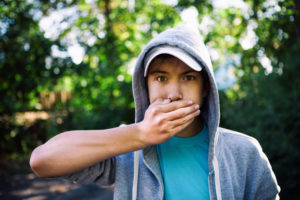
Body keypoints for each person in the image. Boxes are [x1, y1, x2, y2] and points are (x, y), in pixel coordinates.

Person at [30, 26, 280, 200]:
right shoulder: (128, 147)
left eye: (188, 77)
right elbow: (42, 161)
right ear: (145, 86)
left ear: (205, 89)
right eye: (161, 77)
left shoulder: (245, 151)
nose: (173, 93)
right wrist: (139, 134)